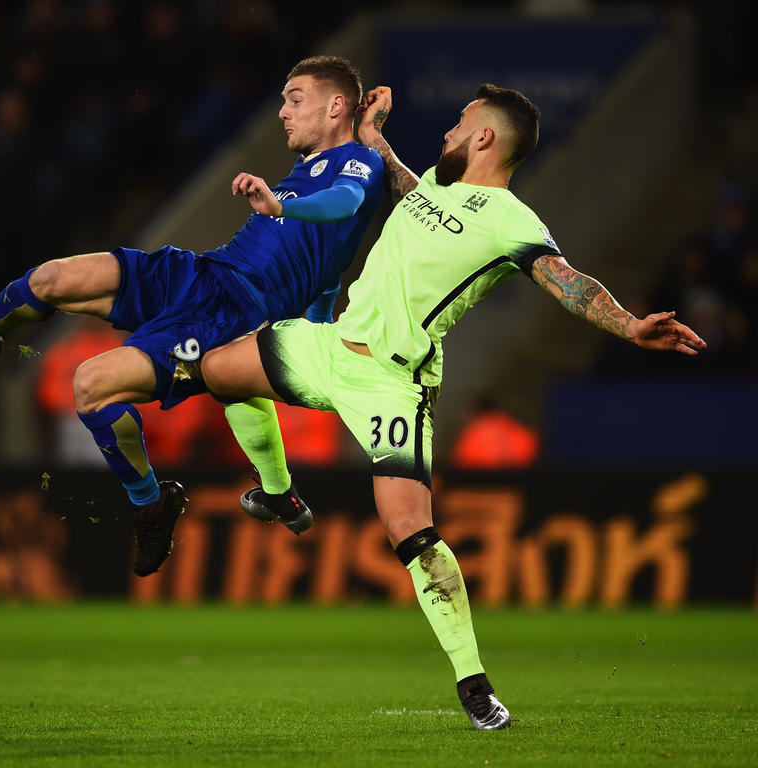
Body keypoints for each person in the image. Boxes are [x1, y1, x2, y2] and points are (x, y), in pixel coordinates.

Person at [200, 83, 706, 729]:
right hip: (329, 347)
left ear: (486, 138)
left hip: (391, 379)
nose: (447, 133)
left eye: (459, 124)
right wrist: (373, 132)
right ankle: (279, 494)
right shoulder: (434, 190)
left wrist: (629, 325)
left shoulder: (514, 222)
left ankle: (474, 685)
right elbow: (413, 195)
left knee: (407, 530)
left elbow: (566, 280)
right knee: (217, 368)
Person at [0, 56, 384, 577]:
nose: (283, 111)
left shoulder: (357, 163)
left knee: (90, 385)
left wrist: (281, 207)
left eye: (295, 98)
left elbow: (343, 201)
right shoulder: (303, 173)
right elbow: (326, 273)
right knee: (50, 280)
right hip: (198, 272)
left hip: (228, 312)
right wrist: (316, 317)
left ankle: (150, 503)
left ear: (336, 105)